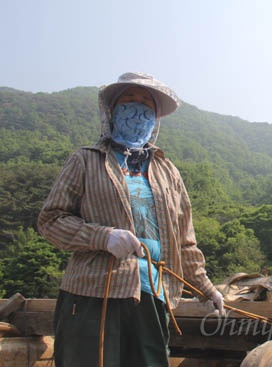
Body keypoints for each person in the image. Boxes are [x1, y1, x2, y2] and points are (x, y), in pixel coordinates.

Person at [38, 72, 224, 367]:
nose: (137, 108)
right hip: (91, 293)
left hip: (152, 294)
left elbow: (184, 241)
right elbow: (50, 221)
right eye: (129, 100)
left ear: (155, 117)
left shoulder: (168, 171)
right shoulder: (85, 161)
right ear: (112, 110)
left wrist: (205, 287)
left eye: (145, 103)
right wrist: (104, 237)